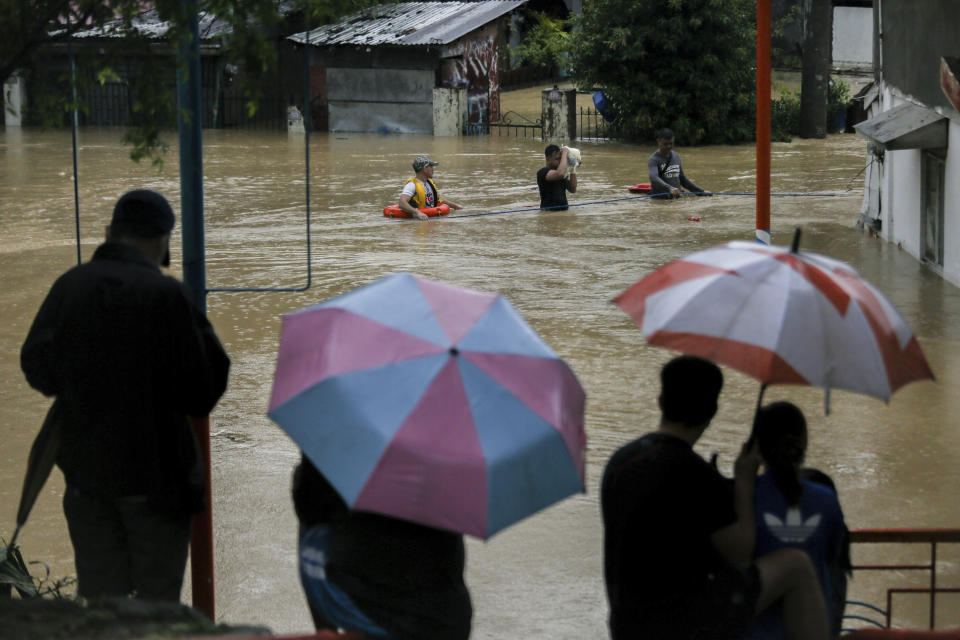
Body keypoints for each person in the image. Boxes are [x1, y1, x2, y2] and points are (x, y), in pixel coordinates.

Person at [20, 189, 230, 602]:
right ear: (163, 241)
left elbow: (36, 367)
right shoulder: (167, 296)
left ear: (108, 234)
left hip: (88, 481)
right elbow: (204, 390)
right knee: (157, 607)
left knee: (102, 606)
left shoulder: (70, 286)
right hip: (158, 483)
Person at [601, 355, 830, 640]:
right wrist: (744, 482)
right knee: (796, 565)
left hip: (626, 626)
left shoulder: (620, 462)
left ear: (660, 401)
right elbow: (739, 556)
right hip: (683, 625)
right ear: (712, 411)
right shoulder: (692, 471)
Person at [292, 454, 472, 640]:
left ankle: (325, 630)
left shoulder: (341, 437)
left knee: (312, 520)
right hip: (449, 618)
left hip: (374, 608)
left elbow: (308, 504)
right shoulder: (453, 448)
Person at [742, 402, 850, 640]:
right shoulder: (826, 499)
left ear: (757, 446)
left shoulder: (745, 497)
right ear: (803, 444)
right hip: (814, 626)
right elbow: (833, 556)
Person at [648, 127, 711, 198]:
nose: (669, 146)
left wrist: (701, 192)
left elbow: (682, 179)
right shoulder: (653, 159)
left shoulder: (676, 156)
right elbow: (653, 177)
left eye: (671, 143)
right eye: (665, 144)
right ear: (658, 142)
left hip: (676, 198)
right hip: (661, 200)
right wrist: (670, 188)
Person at [398, 155, 462, 220]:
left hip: (430, 217)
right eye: (431, 166)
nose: (432, 169)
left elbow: (439, 199)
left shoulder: (430, 183)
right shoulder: (411, 185)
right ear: (425, 169)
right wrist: (417, 212)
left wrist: (455, 206)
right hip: (419, 219)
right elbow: (402, 203)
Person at [537, 144, 578, 210]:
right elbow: (560, 174)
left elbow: (573, 189)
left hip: (564, 213)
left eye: (560, 159)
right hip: (548, 214)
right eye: (557, 159)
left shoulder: (562, 171)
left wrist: (573, 167)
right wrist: (565, 152)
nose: (560, 161)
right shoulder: (542, 172)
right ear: (548, 159)